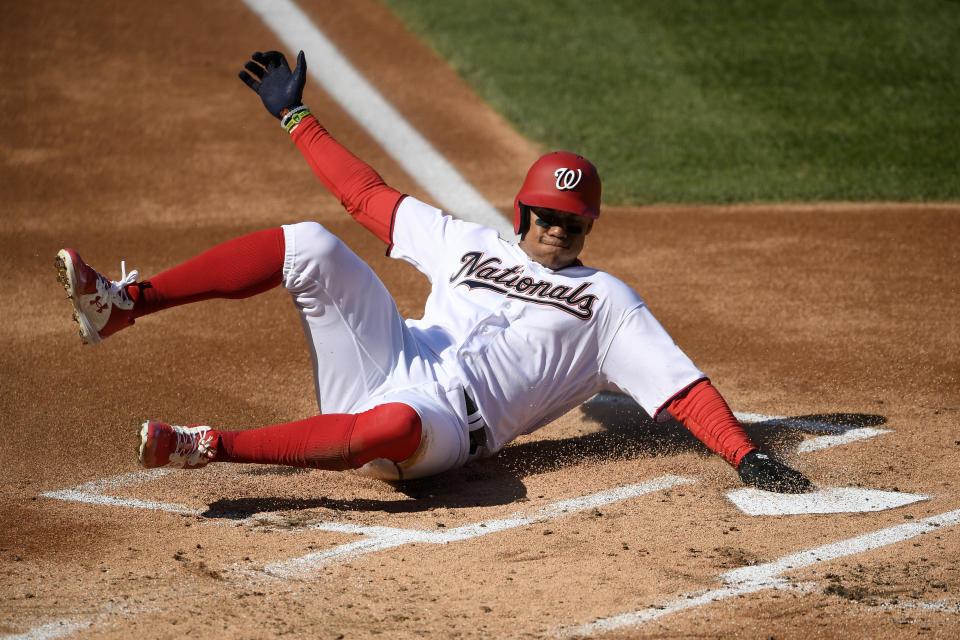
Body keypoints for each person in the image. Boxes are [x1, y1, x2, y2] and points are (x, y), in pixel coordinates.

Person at [54, 50, 811, 493]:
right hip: (394, 355)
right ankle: (122, 304)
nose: (556, 229)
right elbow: (367, 197)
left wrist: (746, 456)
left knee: (395, 423)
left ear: (588, 227)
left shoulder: (607, 304)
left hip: (447, 430)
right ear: (523, 213)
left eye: (572, 222)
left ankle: (205, 445)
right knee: (311, 243)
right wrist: (296, 118)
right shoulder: (467, 242)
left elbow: (681, 387)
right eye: (546, 215)